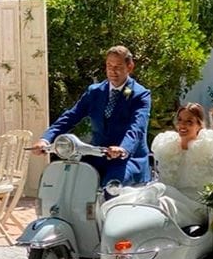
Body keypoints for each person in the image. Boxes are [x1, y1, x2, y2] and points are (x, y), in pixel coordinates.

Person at [33, 45, 151, 186]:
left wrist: (123, 148)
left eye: (118, 66)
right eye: (109, 66)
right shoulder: (95, 92)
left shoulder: (140, 94)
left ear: (130, 67)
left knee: (112, 187)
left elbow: (137, 127)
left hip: (127, 159)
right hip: (98, 157)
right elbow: (71, 116)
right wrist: (45, 139)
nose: (113, 71)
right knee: (71, 182)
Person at [102, 102, 213, 227]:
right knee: (130, 195)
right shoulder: (169, 146)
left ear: (199, 125)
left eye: (189, 122)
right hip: (168, 195)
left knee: (161, 196)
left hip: (194, 205)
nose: (182, 125)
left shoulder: (208, 148)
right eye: (180, 120)